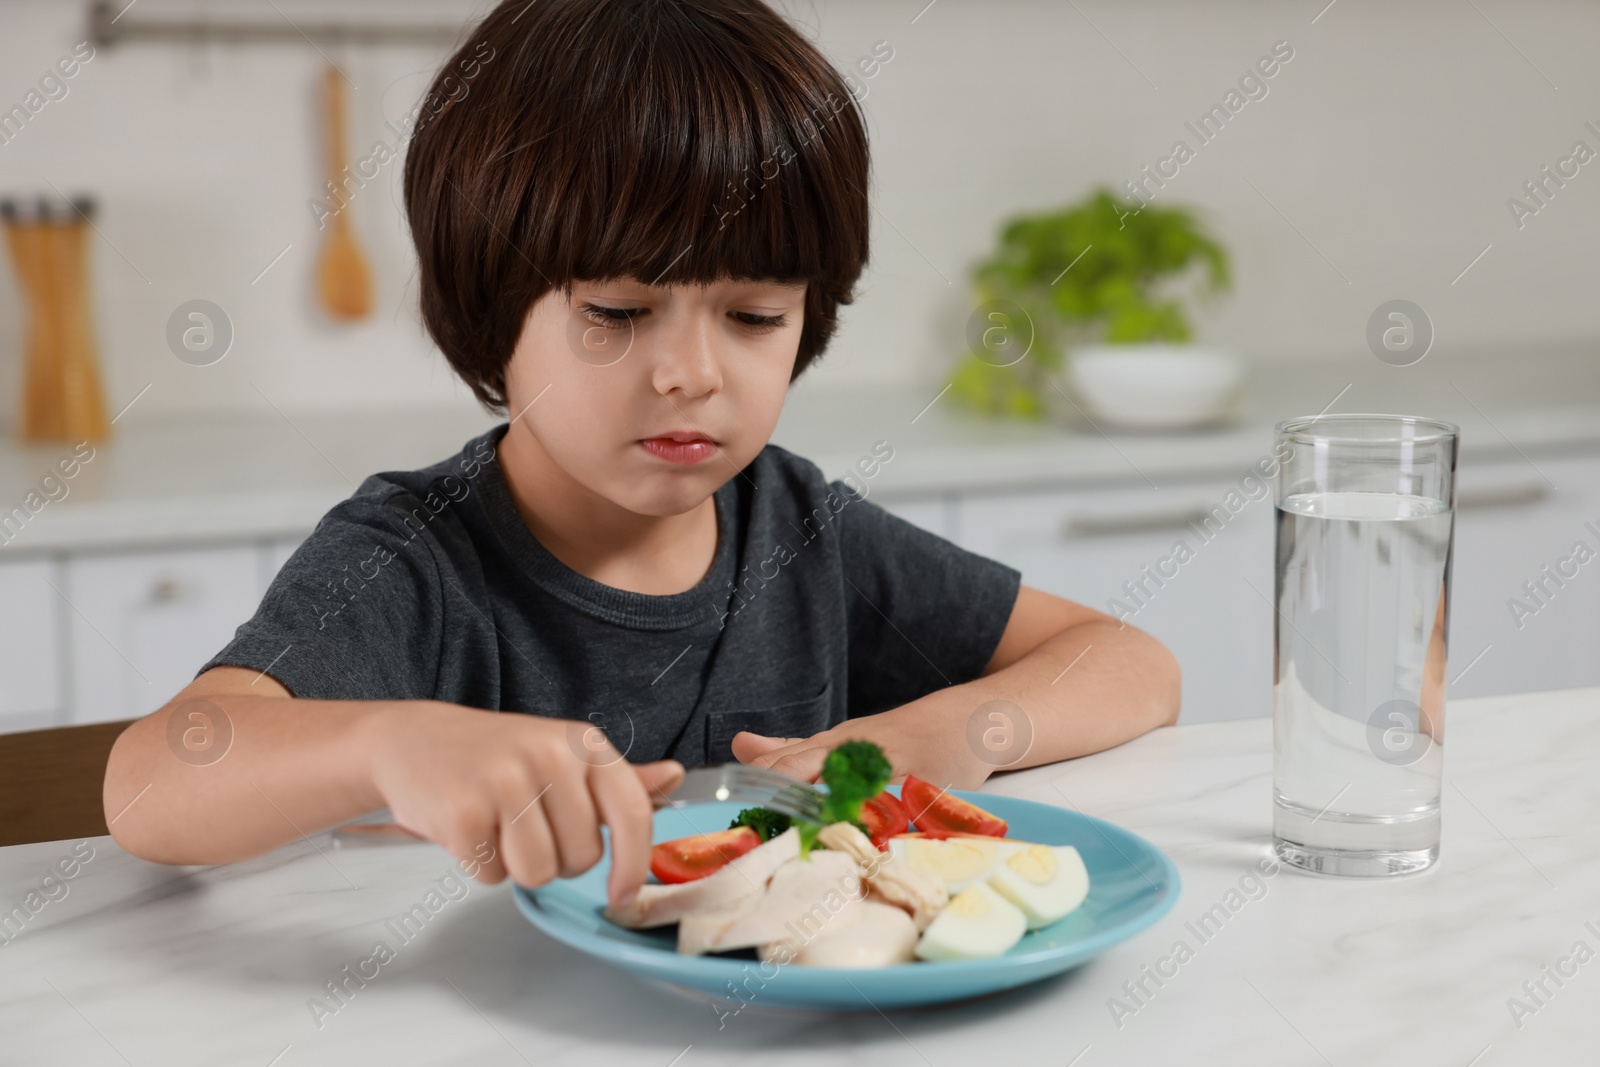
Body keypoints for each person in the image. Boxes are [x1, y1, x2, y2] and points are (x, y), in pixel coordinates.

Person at [103, 0, 1179, 912]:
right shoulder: (418, 559)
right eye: (616, 311)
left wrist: (950, 727)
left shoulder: (799, 528)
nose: (689, 371)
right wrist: (389, 744)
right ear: (490, 310)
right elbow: (152, 783)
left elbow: (1134, 662)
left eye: (754, 315)